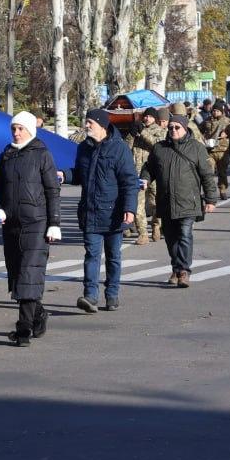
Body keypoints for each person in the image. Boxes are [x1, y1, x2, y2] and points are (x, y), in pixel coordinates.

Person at [0, 111, 62, 347]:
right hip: (11, 226)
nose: (16, 133)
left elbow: (52, 191)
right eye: (13, 129)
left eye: (20, 129)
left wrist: (54, 224)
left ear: (31, 130)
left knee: (29, 274)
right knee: (17, 276)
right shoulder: (6, 155)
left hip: (37, 224)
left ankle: (23, 330)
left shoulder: (42, 154)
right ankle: (38, 314)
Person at [59, 108, 138, 314]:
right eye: (86, 122)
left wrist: (129, 209)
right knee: (91, 255)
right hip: (90, 211)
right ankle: (90, 296)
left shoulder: (119, 149)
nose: (86, 126)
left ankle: (112, 295)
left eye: (90, 123)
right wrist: (63, 175)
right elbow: (79, 174)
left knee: (113, 256)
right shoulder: (84, 148)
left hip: (113, 213)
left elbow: (129, 182)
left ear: (102, 125)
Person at [140, 114, 218, 288]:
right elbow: (149, 167)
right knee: (170, 237)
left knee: (184, 235)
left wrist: (211, 199)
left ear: (185, 128)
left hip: (188, 201)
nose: (173, 130)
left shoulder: (197, 148)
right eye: (171, 127)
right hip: (166, 201)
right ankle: (176, 268)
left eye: (177, 127)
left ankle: (183, 271)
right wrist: (145, 178)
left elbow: (207, 175)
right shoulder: (160, 148)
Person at [133, 108, 168, 242]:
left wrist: (143, 132)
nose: (146, 118)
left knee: (156, 204)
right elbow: (128, 148)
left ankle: (156, 226)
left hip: (153, 173)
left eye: (149, 116)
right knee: (137, 204)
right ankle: (142, 233)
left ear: (155, 118)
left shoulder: (161, 131)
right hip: (137, 173)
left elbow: (156, 145)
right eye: (145, 116)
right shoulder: (138, 131)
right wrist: (131, 134)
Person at [200, 104, 230, 198]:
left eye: (217, 111)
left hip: (222, 150)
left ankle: (222, 190)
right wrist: (203, 138)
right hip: (210, 151)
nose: (215, 112)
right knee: (209, 172)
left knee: (222, 172)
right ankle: (210, 192)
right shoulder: (207, 120)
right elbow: (200, 130)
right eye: (214, 111)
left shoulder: (227, 121)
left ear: (221, 112)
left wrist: (226, 133)